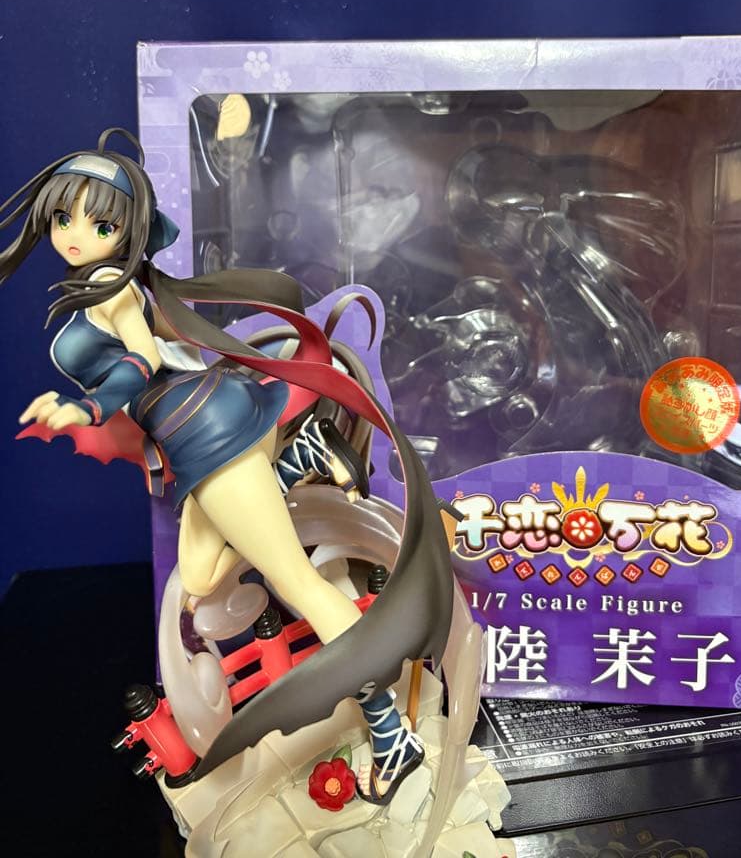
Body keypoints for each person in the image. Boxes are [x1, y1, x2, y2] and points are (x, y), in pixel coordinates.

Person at [0, 127, 453, 803]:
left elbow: (140, 362)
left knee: (300, 585)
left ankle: (391, 736)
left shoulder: (108, 287)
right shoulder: (114, 284)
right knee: (202, 577)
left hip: (208, 437)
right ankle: (301, 456)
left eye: (100, 223)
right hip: (206, 433)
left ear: (126, 231)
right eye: (64, 218)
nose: (74, 234)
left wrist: (85, 409)